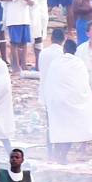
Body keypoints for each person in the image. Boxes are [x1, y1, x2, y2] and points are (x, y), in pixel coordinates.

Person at [43, 40, 92, 163]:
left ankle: (52, 155)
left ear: (64, 49)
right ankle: (62, 156)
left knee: (56, 127)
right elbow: (83, 86)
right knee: (70, 129)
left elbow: (49, 82)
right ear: (75, 51)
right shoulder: (79, 64)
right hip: (72, 102)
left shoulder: (56, 63)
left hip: (57, 102)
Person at [0, 0, 36, 73]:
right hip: (13, 14)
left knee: (24, 42)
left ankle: (23, 64)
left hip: (24, 14)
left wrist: (30, 1)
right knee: (14, 42)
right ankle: (15, 65)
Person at [38, 28, 66, 159]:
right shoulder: (63, 54)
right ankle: (57, 152)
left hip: (46, 93)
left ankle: (49, 152)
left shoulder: (43, 53)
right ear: (63, 40)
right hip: (59, 94)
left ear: (51, 38)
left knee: (50, 125)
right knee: (60, 124)